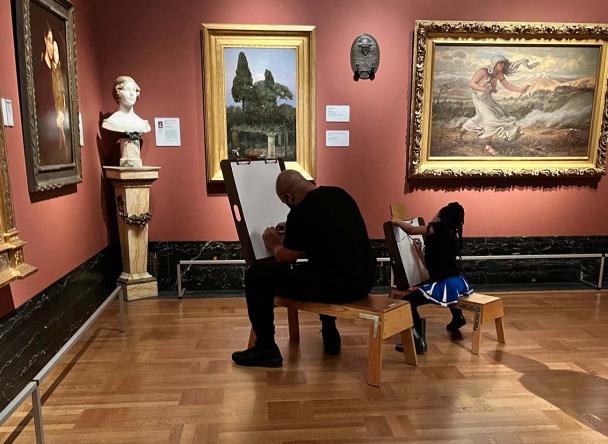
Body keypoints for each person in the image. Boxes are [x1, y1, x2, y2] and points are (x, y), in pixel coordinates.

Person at [232, 170, 377, 367]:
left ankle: (266, 348)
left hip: (338, 288)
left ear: (289, 197)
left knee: (256, 276)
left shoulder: (301, 212)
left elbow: (288, 257)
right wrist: (292, 229)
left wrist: (273, 244)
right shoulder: (339, 194)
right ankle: (329, 329)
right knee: (324, 263)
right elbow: (325, 236)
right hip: (365, 281)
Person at [391, 202, 473, 354]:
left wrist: (397, 221)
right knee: (447, 293)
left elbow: (410, 229)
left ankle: (417, 341)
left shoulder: (435, 227)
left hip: (443, 282)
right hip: (455, 280)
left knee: (408, 301)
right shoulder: (452, 233)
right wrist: (419, 252)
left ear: (442, 215)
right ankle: (457, 318)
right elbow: (432, 268)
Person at [461, 56, 534, 155]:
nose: (503, 65)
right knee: (492, 119)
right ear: (495, 64)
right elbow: (472, 83)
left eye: (504, 63)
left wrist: (520, 90)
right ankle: (488, 146)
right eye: (501, 63)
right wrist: (483, 89)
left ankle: (459, 136)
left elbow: (507, 85)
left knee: (481, 118)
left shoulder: (499, 74)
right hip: (479, 98)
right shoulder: (483, 71)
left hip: (488, 99)